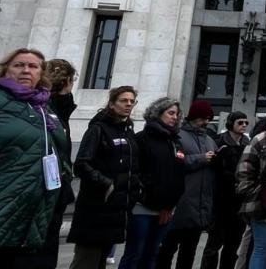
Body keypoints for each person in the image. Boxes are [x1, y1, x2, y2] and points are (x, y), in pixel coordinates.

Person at [0, 48, 71, 266]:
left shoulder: (43, 108)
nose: (26, 70)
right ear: (5, 70)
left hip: (34, 215)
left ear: (41, 74)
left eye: (33, 67)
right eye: (19, 65)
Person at [68, 86, 141, 269]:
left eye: (132, 101)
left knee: (101, 260)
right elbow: (81, 164)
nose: (128, 104)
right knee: (86, 261)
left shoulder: (127, 131)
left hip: (116, 210)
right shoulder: (98, 129)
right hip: (96, 207)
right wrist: (106, 184)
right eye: (124, 100)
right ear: (111, 103)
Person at [120, 97, 186, 269]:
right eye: (170, 113)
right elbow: (135, 172)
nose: (174, 117)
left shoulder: (175, 142)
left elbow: (177, 175)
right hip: (142, 207)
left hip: (165, 209)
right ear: (158, 113)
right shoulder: (141, 139)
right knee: (135, 254)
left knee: (151, 255)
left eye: (177, 114)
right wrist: (145, 195)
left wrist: (169, 205)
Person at [156, 100, 217, 269]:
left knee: (189, 252)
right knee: (167, 249)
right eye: (202, 118)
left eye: (208, 118)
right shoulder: (178, 136)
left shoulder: (210, 140)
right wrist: (202, 158)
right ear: (193, 117)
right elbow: (175, 162)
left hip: (200, 206)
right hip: (180, 204)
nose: (205, 122)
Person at [200, 111, 250, 269]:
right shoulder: (219, 142)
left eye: (246, 123)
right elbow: (214, 170)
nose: (243, 126)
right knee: (214, 244)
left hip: (238, 201)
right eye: (240, 123)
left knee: (232, 245)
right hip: (221, 201)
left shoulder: (246, 143)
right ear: (231, 124)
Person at [236, 106, 266, 269]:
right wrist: (258, 194)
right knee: (263, 249)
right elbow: (244, 173)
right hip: (263, 205)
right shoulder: (261, 139)